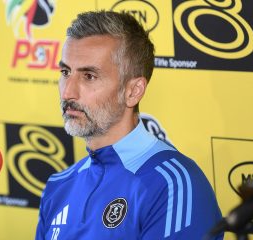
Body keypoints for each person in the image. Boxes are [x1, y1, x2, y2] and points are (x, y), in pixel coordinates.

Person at [35, 11, 223, 240]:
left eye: (89, 76)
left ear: (133, 91)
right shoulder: (59, 186)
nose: (68, 92)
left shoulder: (175, 185)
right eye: (65, 72)